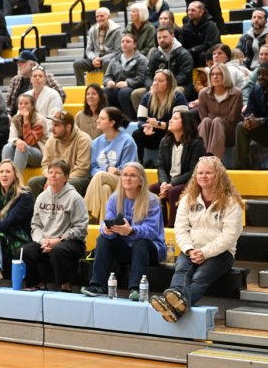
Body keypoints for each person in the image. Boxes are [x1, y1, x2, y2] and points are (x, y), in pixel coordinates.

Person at [151, 156, 244, 322]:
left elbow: (230, 236)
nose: (203, 176)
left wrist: (205, 252)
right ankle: (176, 307)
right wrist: (189, 249)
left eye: (208, 173)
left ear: (219, 175)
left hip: (221, 253)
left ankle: (171, 305)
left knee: (200, 277)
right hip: (191, 249)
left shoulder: (231, 202)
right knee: (181, 270)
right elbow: (180, 229)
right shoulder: (187, 199)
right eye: (200, 173)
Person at [81, 162, 166, 300]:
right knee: (102, 239)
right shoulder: (115, 198)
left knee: (140, 242)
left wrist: (131, 231)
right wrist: (106, 230)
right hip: (126, 248)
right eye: (125, 175)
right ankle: (97, 285)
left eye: (132, 175)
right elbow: (107, 221)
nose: (127, 178)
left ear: (141, 180)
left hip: (150, 250)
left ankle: (136, 288)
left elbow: (151, 231)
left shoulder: (152, 201)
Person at [20, 160, 88, 292]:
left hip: (72, 241)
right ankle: (37, 284)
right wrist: (43, 241)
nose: (53, 175)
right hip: (46, 241)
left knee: (58, 251)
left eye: (57, 173)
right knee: (25, 251)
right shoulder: (41, 197)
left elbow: (81, 228)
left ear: (66, 177)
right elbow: (35, 225)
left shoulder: (75, 198)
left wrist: (59, 240)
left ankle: (65, 286)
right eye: (50, 172)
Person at [0, 159, 35, 286]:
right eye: (1, 172)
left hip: (19, 237)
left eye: (8, 172)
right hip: (1, 236)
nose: (4, 175)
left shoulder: (25, 195)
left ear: (15, 175)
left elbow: (11, 221)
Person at [150, 108, 205, 227]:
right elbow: (161, 166)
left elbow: (193, 171)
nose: (170, 121)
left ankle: (173, 227)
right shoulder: (164, 141)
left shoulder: (196, 144)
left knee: (173, 191)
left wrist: (171, 184)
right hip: (169, 182)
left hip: (189, 182)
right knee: (152, 189)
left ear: (185, 123)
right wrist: (164, 183)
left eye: (175, 118)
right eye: (171, 118)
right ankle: (159, 225)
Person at [84, 107, 137, 223]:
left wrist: (116, 171)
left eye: (102, 118)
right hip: (102, 182)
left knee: (100, 175)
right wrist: (107, 168)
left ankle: (85, 213)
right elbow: (92, 168)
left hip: (124, 181)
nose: (97, 120)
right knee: (105, 189)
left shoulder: (127, 141)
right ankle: (105, 224)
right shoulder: (96, 142)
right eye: (98, 117)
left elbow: (129, 170)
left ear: (111, 122)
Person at [28, 111, 92, 197]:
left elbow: (82, 170)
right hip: (56, 177)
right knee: (33, 182)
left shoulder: (83, 140)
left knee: (71, 184)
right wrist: (51, 178)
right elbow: (45, 165)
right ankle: (43, 205)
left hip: (77, 178)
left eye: (57, 125)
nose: (52, 129)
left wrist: (60, 180)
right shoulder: (51, 140)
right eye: (53, 124)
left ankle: (66, 206)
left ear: (68, 127)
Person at [134, 69, 189, 163]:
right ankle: (139, 163)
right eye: (155, 80)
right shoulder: (147, 97)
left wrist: (159, 124)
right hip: (153, 133)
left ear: (169, 84)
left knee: (172, 136)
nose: (155, 83)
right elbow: (140, 120)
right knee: (137, 134)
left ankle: (171, 166)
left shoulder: (178, 97)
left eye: (160, 81)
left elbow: (182, 122)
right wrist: (145, 127)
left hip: (170, 133)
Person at [137, 26, 194, 110]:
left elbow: (183, 77)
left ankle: (170, 116)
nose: (162, 40)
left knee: (175, 92)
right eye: (159, 38)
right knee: (136, 94)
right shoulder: (155, 55)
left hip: (179, 86)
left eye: (165, 37)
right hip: (158, 85)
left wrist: (165, 86)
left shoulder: (184, 54)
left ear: (172, 36)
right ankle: (145, 116)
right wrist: (151, 86)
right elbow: (148, 75)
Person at [197, 63, 243, 159]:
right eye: (212, 74)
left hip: (229, 132)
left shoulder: (236, 94)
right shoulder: (203, 94)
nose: (215, 77)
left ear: (225, 75)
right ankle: (201, 158)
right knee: (206, 121)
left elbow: (233, 120)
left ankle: (214, 160)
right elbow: (203, 117)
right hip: (209, 130)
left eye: (218, 74)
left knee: (217, 122)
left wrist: (215, 119)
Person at [103, 34, 148, 121]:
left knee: (124, 93)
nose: (124, 43)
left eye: (128, 41)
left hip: (133, 86)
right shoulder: (115, 59)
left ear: (134, 44)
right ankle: (111, 119)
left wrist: (127, 83)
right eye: (122, 41)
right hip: (117, 86)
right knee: (106, 91)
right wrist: (109, 82)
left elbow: (141, 78)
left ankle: (129, 120)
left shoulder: (141, 59)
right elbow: (107, 76)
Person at [6, 49, 66, 115]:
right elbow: (8, 103)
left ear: (32, 65)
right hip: (17, 117)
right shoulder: (15, 80)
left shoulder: (45, 76)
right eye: (18, 62)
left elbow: (61, 95)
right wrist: (8, 116)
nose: (19, 64)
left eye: (22, 62)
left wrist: (43, 108)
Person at [73, 7, 122, 86]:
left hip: (109, 60)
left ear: (108, 17)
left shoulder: (117, 30)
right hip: (95, 59)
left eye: (102, 16)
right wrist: (94, 58)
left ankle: (107, 87)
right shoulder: (92, 30)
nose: (99, 18)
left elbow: (117, 51)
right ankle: (81, 88)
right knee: (77, 64)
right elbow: (88, 50)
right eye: (97, 16)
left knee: (107, 62)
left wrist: (101, 59)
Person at [2, 92, 47, 171]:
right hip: (21, 153)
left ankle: (16, 176)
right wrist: (17, 141)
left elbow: (30, 141)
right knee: (7, 147)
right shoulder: (15, 119)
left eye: (26, 103)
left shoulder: (40, 120)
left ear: (32, 106)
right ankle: (5, 172)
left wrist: (26, 121)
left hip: (39, 154)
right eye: (20, 104)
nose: (23, 106)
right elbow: (12, 138)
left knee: (22, 147)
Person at [180, 1, 220, 68]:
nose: (189, 13)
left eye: (193, 10)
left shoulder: (210, 26)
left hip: (206, 54)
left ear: (201, 12)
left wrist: (192, 50)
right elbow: (181, 44)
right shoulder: (186, 27)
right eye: (188, 10)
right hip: (191, 54)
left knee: (203, 55)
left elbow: (209, 45)